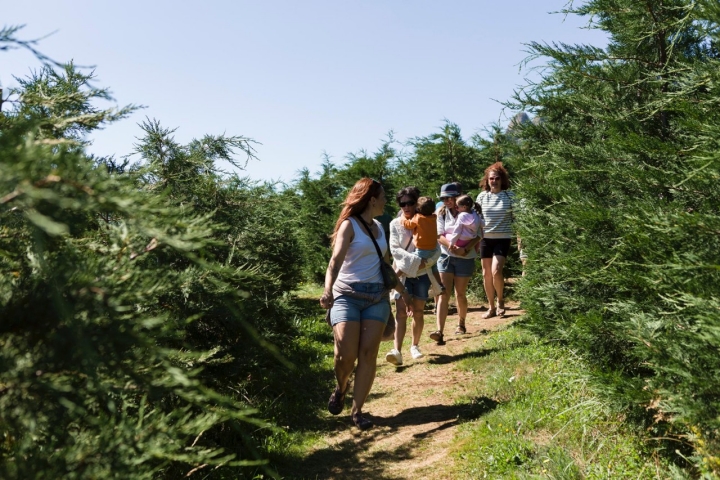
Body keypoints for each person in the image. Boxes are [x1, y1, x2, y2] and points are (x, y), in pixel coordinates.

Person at [320, 178, 414, 430]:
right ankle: (341, 388)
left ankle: (357, 411)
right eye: (383, 196)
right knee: (344, 355)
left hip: (376, 297)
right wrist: (328, 290)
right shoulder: (349, 226)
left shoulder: (380, 228)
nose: (386, 201)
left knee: (368, 354)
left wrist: (402, 292)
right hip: (346, 295)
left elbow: (383, 265)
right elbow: (335, 262)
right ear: (372, 199)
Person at [385, 187, 440, 366]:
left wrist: (426, 264)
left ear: (416, 203)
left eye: (410, 203)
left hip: (423, 274)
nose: (406, 207)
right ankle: (397, 350)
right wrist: (416, 264)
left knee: (418, 311)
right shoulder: (395, 223)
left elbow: (436, 248)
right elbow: (395, 250)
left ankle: (415, 345)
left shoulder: (428, 220)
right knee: (400, 313)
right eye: (403, 203)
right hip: (403, 275)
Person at [430, 183, 481, 344]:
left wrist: (464, 250)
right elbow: (439, 236)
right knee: (443, 293)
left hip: (465, 257)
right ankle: (439, 331)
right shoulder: (441, 213)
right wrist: (453, 247)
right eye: (443, 198)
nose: (446, 201)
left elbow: (479, 235)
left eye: (448, 197)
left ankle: (461, 323)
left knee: (460, 293)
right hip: (445, 256)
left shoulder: (472, 212)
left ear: (457, 196)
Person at [477, 162, 516, 318]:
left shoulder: (509, 196)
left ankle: (500, 301)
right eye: (491, 178)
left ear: (502, 179)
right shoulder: (481, 196)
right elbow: (476, 219)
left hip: (503, 238)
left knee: (496, 270)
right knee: (486, 273)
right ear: (487, 180)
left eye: (497, 178)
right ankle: (491, 307)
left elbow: (517, 217)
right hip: (485, 239)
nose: (494, 181)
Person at [398, 196, 445, 294]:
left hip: (422, 249)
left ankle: (394, 277)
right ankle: (440, 284)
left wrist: (402, 217)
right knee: (434, 267)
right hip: (433, 248)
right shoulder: (433, 217)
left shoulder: (418, 217)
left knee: (407, 263)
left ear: (418, 208)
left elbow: (408, 224)